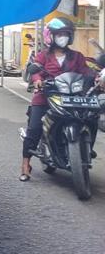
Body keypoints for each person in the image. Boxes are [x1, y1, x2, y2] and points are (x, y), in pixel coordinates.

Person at [21, 17, 95, 181]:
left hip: (72, 97)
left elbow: (86, 71)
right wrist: (38, 80)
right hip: (46, 96)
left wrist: (97, 79)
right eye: (59, 34)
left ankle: (86, 146)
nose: (63, 37)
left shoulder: (77, 56)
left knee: (91, 117)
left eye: (66, 34)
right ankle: (25, 164)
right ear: (51, 36)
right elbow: (35, 71)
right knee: (34, 129)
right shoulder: (42, 56)